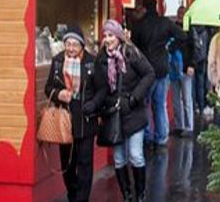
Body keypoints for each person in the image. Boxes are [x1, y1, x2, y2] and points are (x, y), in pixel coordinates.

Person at [43, 24, 106, 202]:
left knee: (85, 163)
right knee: (67, 164)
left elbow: (102, 89)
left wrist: (93, 104)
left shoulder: (92, 62)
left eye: (75, 45)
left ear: (82, 46)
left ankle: (82, 199)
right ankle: (72, 195)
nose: (70, 49)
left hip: (86, 119)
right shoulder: (58, 61)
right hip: (65, 120)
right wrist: (58, 94)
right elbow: (48, 88)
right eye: (68, 44)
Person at [96, 19, 154, 202]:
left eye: (111, 35)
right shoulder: (101, 58)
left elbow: (149, 73)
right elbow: (99, 86)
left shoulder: (130, 52)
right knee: (119, 158)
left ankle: (140, 194)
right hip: (114, 115)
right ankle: (127, 195)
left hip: (133, 111)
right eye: (105, 36)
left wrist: (135, 97)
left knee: (135, 155)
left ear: (119, 36)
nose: (108, 39)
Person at [130, 0, 184, 148]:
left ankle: (148, 136)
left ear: (144, 8)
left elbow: (133, 47)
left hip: (145, 69)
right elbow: (182, 35)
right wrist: (169, 45)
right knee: (160, 104)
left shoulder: (139, 25)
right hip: (162, 68)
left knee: (146, 104)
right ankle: (161, 137)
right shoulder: (165, 22)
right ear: (157, 7)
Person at [168, 6, 195, 136]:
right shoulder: (182, 29)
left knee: (184, 99)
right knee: (179, 99)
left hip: (182, 68)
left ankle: (188, 126)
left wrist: (191, 65)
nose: (180, 15)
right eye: (179, 13)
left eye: (182, 13)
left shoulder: (187, 29)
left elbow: (193, 48)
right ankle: (182, 126)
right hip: (177, 68)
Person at [188, 22, 210, 117]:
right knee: (201, 85)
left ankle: (194, 107)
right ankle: (201, 107)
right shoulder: (205, 32)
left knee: (192, 86)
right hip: (202, 61)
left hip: (193, 61)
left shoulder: (191, 30)